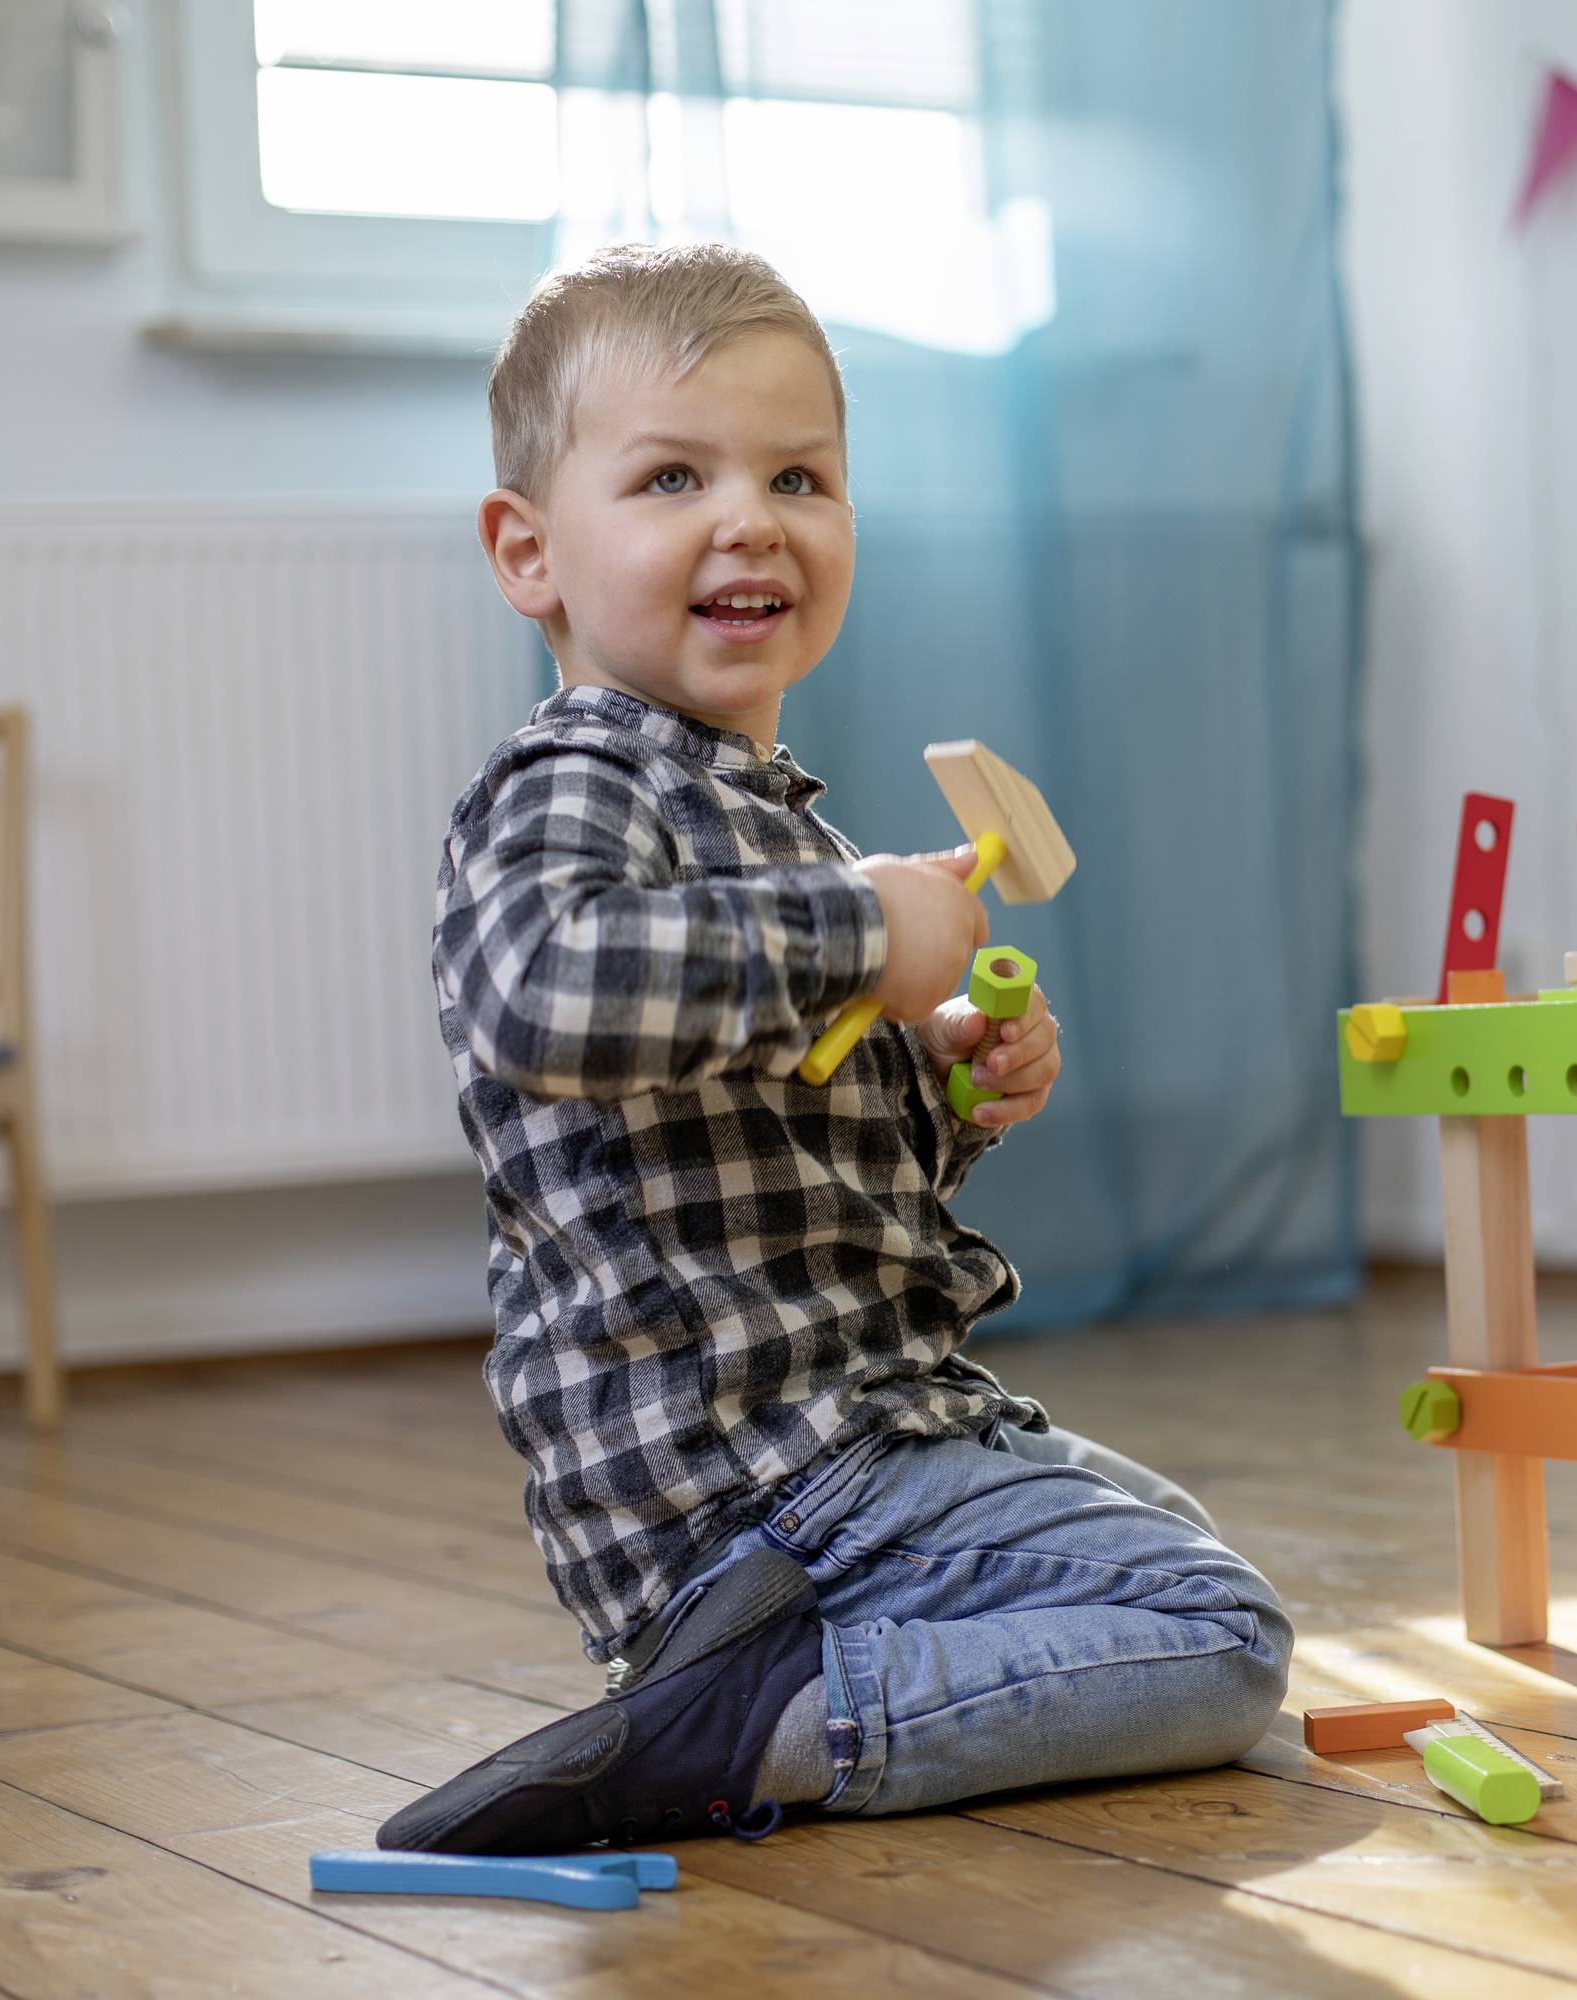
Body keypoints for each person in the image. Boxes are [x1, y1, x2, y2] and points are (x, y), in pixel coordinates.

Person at [387, 243, 1289, 1852]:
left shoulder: (779, 824)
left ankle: (770, 1690)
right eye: (673, 476)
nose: (752, 518)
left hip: (853, 1445)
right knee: (1220, 1641)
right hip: (759, 1484)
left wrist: (941, 1085)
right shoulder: (576, 779)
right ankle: (770, 1721)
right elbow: (541, 994)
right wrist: (859, 936)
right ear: (528, 554)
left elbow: (781, 1161)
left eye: (799, 474)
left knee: (1169, 1548)